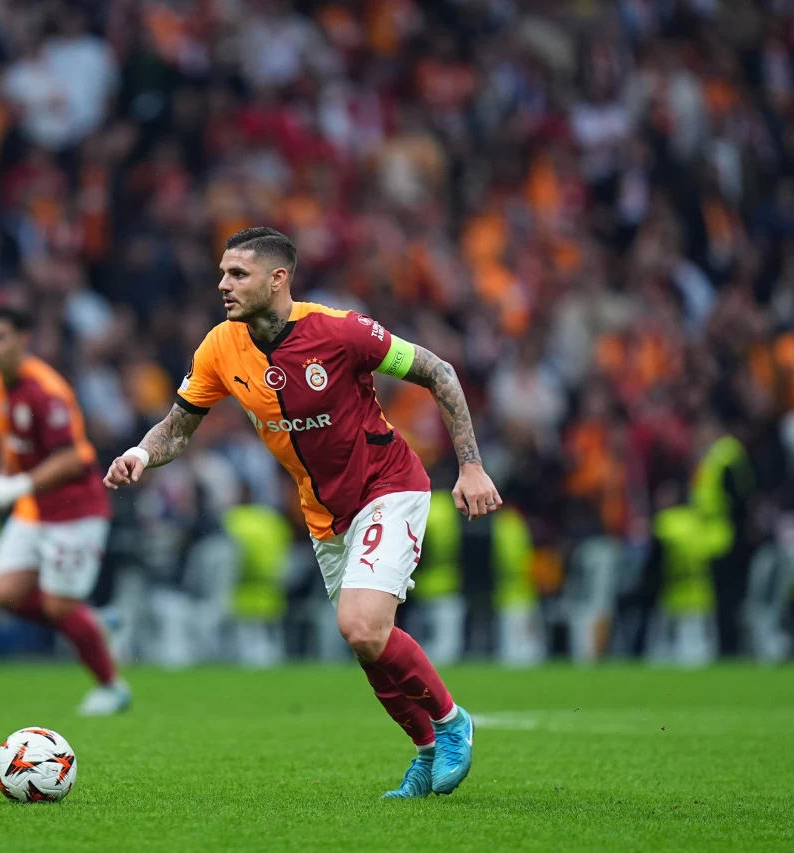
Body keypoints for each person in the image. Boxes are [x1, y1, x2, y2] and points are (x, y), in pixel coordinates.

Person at [105, 228, 503, 797]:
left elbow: (438, 371)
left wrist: (471, 466)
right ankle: (424, 751)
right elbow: (177, 427)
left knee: (361, 626)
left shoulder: (341, 331)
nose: (223, 285)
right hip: (324, 513)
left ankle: (451, 722)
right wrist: (141, 455)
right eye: (222, 273)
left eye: (237, 274)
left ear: (277, 279)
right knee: (366, 644)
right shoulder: (219, 347)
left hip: (387, 486)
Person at [0, 307, 129, 715]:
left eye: (0, 338)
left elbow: (72, 459)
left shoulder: (47, 390)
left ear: (23, 339)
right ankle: (91, 623)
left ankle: (111, 687)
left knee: (59, 607)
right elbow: (11, 443)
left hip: (76, 509)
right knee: (5, 593)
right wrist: (1, 477)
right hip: (35, 508)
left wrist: (16, 487)